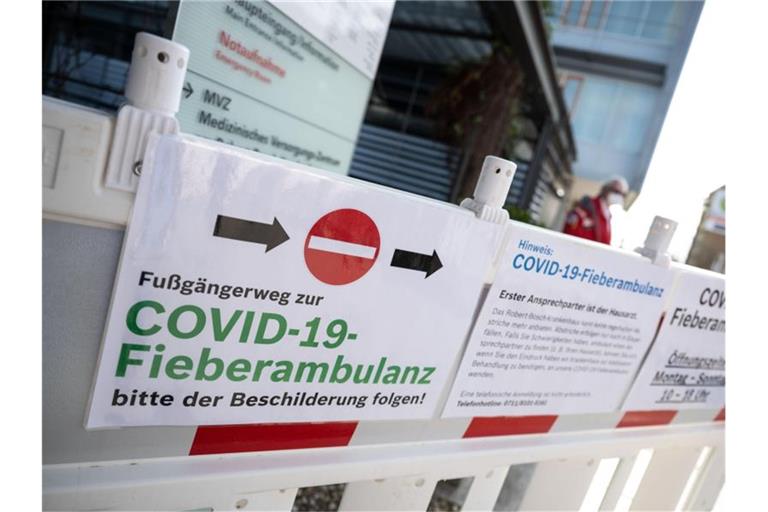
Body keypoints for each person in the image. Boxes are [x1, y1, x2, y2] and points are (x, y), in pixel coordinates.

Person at [563, 177, 628, 245]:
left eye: (623, 195)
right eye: (616, 192)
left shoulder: (607, 216)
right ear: (606, 189)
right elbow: (568, 233)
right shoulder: (587, 206)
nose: (619, 196)